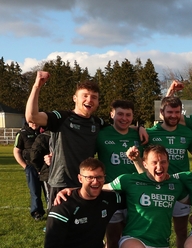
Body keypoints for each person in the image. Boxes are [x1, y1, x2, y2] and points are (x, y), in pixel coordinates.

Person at [26, 71, 148, 201]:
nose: (89, 100)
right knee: (60, 220)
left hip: (88, 183)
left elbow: (119, 124)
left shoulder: (97, 122)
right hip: (62, 183)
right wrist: (37, 86)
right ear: (75, 98)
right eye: (85, 96)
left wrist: (139, 128)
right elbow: (32, 117)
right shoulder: (61, 118)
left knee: (86, 221)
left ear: (98, 102)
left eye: (94, 97)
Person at [147, 96, 192, 248]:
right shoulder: (150, 133)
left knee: (181, 231)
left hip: (179, 189)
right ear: (162, 113)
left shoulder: (187, 133)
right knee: (155, 229)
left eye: (177, 112)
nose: (174, 115)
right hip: (157, 188)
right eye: (170, 112)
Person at [96, 99, 139, 248]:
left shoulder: (138, 135)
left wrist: (141, 129)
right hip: (110, 193)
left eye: (128, 115)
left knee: (133, 238)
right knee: (113, 239)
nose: (124, 118)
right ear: (112, 114)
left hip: (134, 194)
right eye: (120, 114)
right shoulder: (101, 134)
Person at [13, 121, 45, 220]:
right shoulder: (22, 133)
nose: (35, 123)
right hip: (31, 167)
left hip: (45, 167)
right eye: (32, 120)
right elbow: (16, 151)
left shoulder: (45, 131)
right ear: (28, 120)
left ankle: (53, 210)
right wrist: (26, 166)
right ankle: (37, 212)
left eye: (37, 120)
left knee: (49, 190)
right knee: (35, 191)